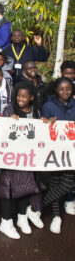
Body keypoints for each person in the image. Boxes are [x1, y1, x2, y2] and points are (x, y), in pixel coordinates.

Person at [0, 83, 43, 239]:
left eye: (24, 96)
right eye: (18, 96)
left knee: (26, 185)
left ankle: (22, 217)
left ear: (31, 97)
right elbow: (1, 129)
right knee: (8, 188)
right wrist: (9, 120)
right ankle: (6, 221)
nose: (21, 99)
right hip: (11, 158)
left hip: (27, 157)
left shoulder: (35, 111)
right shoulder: (9, 110)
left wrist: (45, 123)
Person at [41, 77, 75, 234]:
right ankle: (56, 217)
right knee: (54, 183)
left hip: (71, 152)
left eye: (68, 88)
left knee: (67, 184)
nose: (65, 92)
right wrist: (48, 122)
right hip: (54, 150)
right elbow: (43, 127)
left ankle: (37, 206)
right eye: (62, 89)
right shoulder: (48, 105)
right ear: (55, 90)